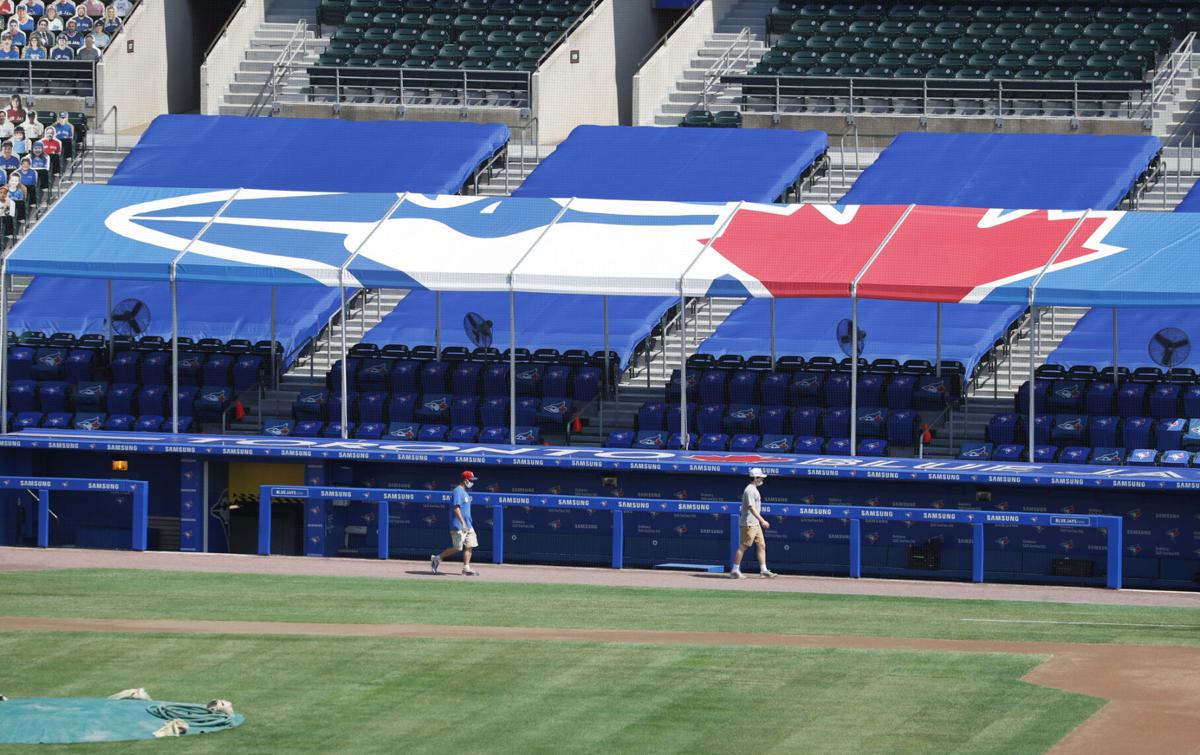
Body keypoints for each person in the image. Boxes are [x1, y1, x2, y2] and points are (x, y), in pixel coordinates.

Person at [431, 470, 480, 576]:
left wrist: (467, 524)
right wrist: (463, 523)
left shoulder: (465, 492)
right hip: (459, 525)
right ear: (466, 480)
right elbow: (456, 509)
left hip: (468, 525)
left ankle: (466, 568)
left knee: (469, 545)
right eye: (471, 480)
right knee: (458, 547)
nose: (472, 482)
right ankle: (437, 558)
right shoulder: (457, 491)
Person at [729, 468, 776, 579]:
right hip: (748, 523)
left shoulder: (754, 489)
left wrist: (759, 522)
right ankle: (734, 570)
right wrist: (762, 520)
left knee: (761, 545)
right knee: (743, 546)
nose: (761, 479)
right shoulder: (750, 490)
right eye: (760, 477)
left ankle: (763, 570)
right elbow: (751, 508)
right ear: (755, 478)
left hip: (755, 523)